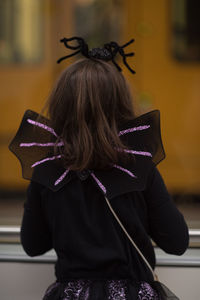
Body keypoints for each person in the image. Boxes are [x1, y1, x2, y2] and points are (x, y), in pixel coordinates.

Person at [10, 38, 189, 300]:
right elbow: (177, 242)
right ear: (121, 104)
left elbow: (33, 246)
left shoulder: (47, 171)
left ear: (60, 105)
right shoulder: (138, 167)